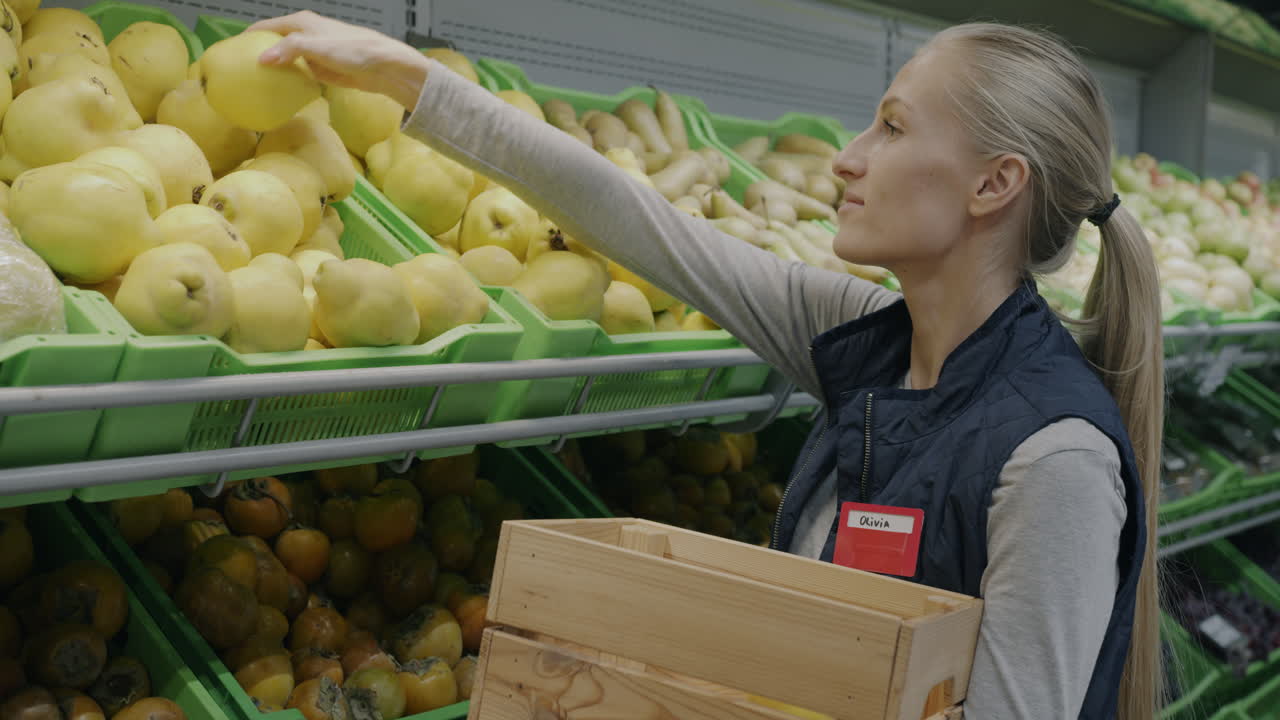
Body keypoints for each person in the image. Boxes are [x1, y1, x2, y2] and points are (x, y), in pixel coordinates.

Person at [249, 13, 1164, 720]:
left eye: (890, 128)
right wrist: (411, 80)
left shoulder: (1055, 461)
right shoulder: (873, 339)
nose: (848, 161)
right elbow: (646, 226)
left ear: (993, 185)